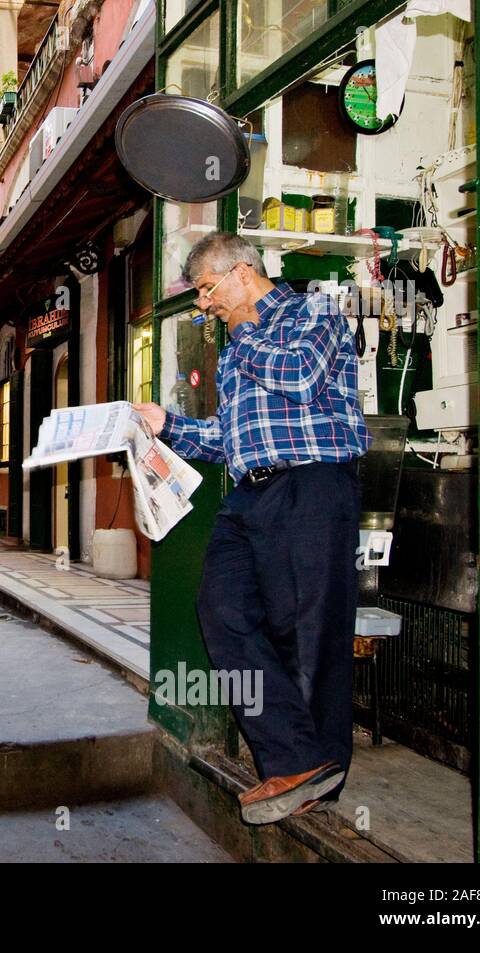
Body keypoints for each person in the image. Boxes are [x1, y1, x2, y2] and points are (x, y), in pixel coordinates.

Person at [133, 231, 370, 825]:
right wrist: (166, 425)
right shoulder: (238, 346)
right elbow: (229, 436)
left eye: (208, 290)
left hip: (313, 485)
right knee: (221, 612)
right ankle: (296, 758)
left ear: (242, 273)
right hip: (250, 495)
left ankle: (311, 777)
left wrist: (243, 331)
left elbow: (299, 379)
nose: (204, 305)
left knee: (310, 633)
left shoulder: (313, 310)